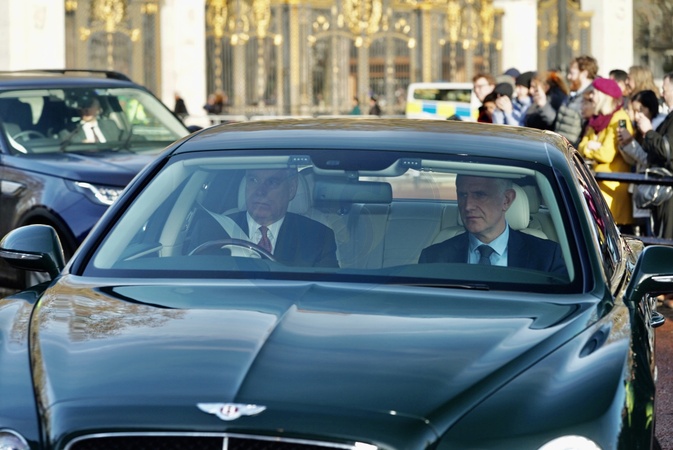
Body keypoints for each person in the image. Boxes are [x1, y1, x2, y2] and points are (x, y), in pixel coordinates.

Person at [418, 175, 566, 275]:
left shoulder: (547, 257)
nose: (468, 206)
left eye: (479, 195)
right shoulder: (433, 258)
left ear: (506, 200)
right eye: (462, 195)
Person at [227, 168, 339, 267]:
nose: (260, 191)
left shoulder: (317, 238)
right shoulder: (222, 228)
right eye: (253, 180)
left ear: (291, 189)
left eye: (272, 182)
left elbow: (327, 284)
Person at [578, 77, 635, 232]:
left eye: (594, 93)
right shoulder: (597, 119)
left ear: (604, 96)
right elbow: (581, 147)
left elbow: (606, 154)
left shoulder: (620, 118)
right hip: (596, 188)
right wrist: (590, 147)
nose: (591, 97)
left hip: (613, 191)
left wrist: (590, 147)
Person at [617, 89, 663, 236]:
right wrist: (624, 144)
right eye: (635, 111)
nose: (637, 116)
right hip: (641, 192)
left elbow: (648, 159)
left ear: (651, 108)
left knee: (651, 235)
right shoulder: (639, 129)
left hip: (652, 193)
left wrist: (630, 142)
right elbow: (634, 161)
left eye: (641, 110)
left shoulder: (656, 128)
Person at [637, 72, 673, 239]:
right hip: (664, 191)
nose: (662, 94)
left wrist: (648, 131)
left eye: (664, 89)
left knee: (666, 241)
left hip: (668, 190)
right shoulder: (669, 117)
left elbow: (666, 150)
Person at [554, 55, 599, 147]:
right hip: (559, 146)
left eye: (572, 73)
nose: (568, 77)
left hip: (573, 149)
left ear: (584, 74)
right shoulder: (572, 93)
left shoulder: (591, 97)